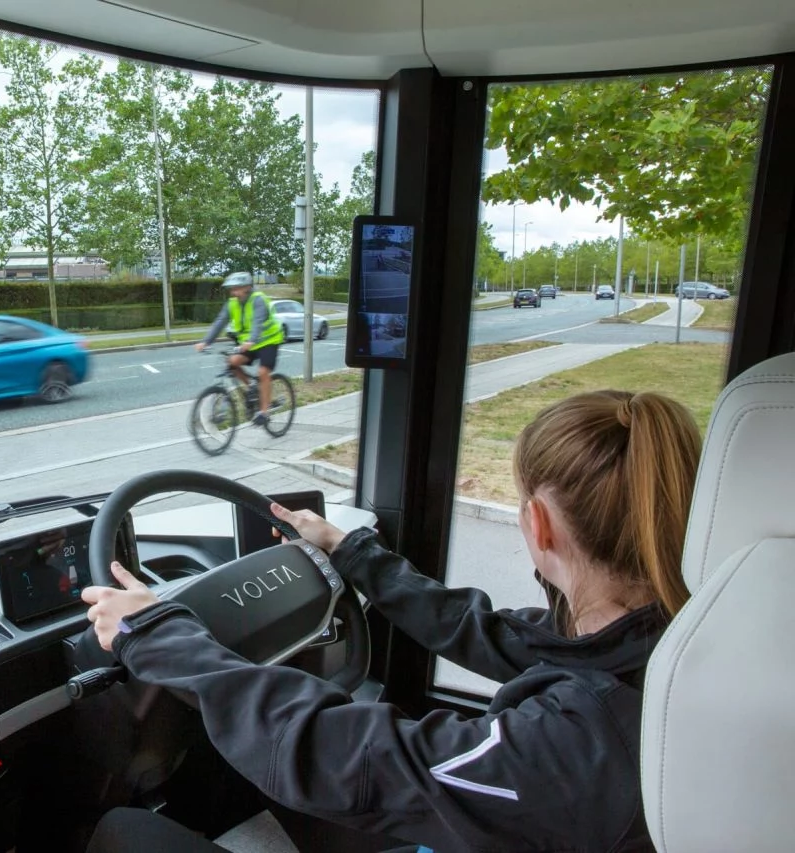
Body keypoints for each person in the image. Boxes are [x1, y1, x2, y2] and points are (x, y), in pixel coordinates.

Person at [80, 390, 702, 853]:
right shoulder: (652, 637)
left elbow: (335, 753)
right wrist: (351, 553)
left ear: (536, 523)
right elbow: (483, 630)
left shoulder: (580, 737)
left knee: (124, 834)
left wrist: (161, 635)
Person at [195, 272, 285, 426]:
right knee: (232, 362)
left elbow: (257, 322)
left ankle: (264, 413)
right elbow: (219, 322)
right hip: (249, 343)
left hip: (269, 340)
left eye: (237, 288)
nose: (233, 292)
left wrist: (251, 340)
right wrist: (205, 342)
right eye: (232, 289)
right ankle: (251, 388)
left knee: (263, 372)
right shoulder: (232, 304)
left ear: (248, 288)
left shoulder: (258, 300)